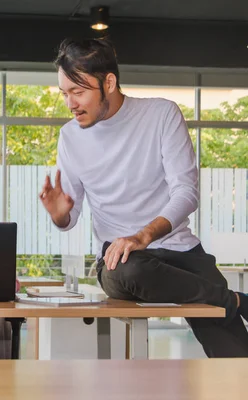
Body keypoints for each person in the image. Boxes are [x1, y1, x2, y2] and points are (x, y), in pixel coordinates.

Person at [40, 37, 248, 357]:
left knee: (236, 357)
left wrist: (143, 235)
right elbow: (71, 216)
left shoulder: (161, 114)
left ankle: (223, 302)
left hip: (181, 250)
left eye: (78, 92)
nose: (70, 103)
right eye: (64, 93)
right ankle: (232, 299)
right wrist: (59, 215)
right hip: (121, 261)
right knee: (135, 271)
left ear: (108, 82)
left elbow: (186, 192)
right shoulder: (70, 137)